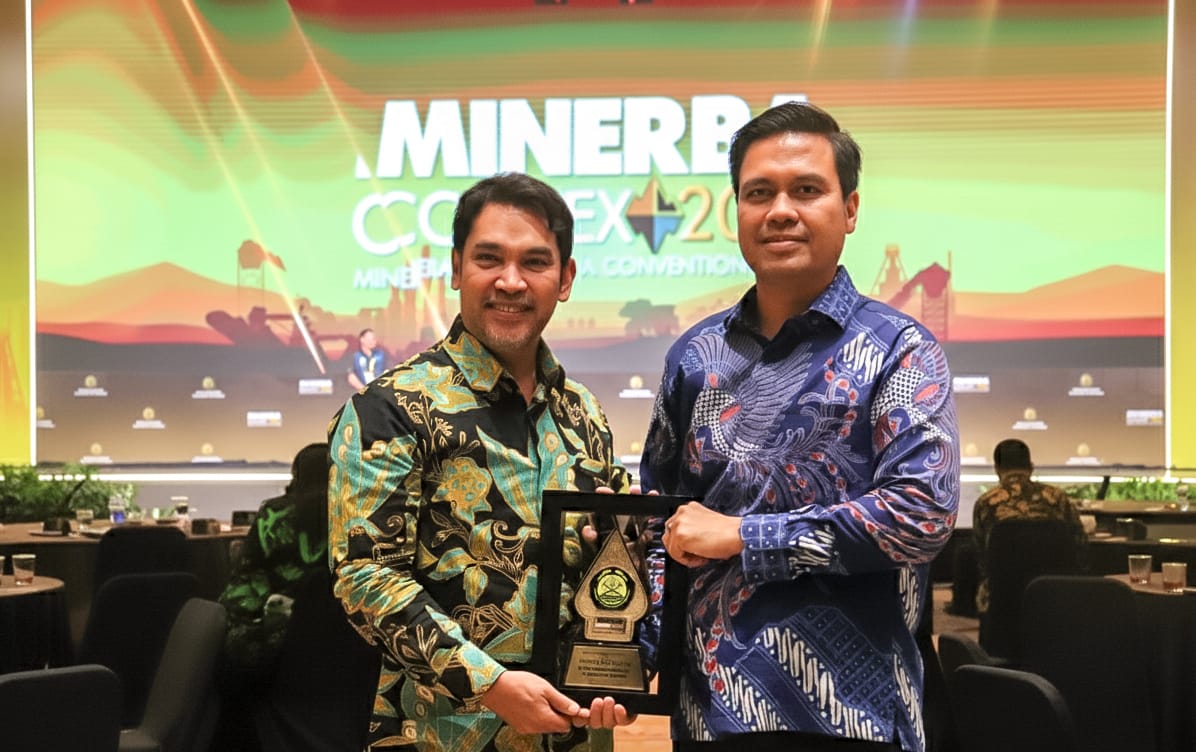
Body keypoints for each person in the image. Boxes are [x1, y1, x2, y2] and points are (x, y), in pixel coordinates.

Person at [639, 102, 960, 752]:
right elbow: (657, 524)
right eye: (759, 193)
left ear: (850, 209)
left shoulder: (899, 349)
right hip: (708, 718)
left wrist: (742, 537)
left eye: (806, 190)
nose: (780, 210)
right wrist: (624, 653)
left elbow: (921, 514)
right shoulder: (694, 357)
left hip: (856, 721)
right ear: (737, 210)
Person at [327, 172, 634, 751]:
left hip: (575, 731)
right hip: (439, 733)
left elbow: (609, 556)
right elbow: (366, 580)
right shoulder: (391, 409)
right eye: (489, 258)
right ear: (455, 268)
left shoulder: (583, 413)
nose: (510, 281)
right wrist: (489, 685)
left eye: (535, 262)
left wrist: (627, 541)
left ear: (566, 278)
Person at [215, 441, 333, 751]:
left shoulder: (274, 515)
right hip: (346, 652)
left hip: (278, 649)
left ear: (296, 476)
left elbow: (242, 588)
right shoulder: (364, 514)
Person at [971, 438, 1084, 617]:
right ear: (1031, 467)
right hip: (1055, 596)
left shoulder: (986, 503)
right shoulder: (1057, 498)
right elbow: (1080, 546)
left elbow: (982, 557)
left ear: (997, 469)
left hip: (1002, 599)